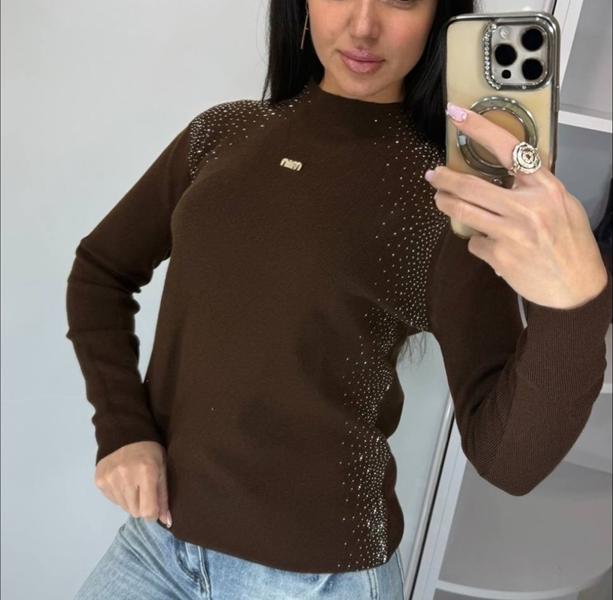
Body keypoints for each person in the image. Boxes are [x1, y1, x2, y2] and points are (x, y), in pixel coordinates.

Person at [65, 1, 612, 598]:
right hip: (156, 544)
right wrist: (121, 429)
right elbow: (101, 272)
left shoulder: (447, 196)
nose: (363, 26)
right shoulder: (221, 134)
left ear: (438, 15)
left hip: (317, 576)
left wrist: (576, 304)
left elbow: (510, 460)